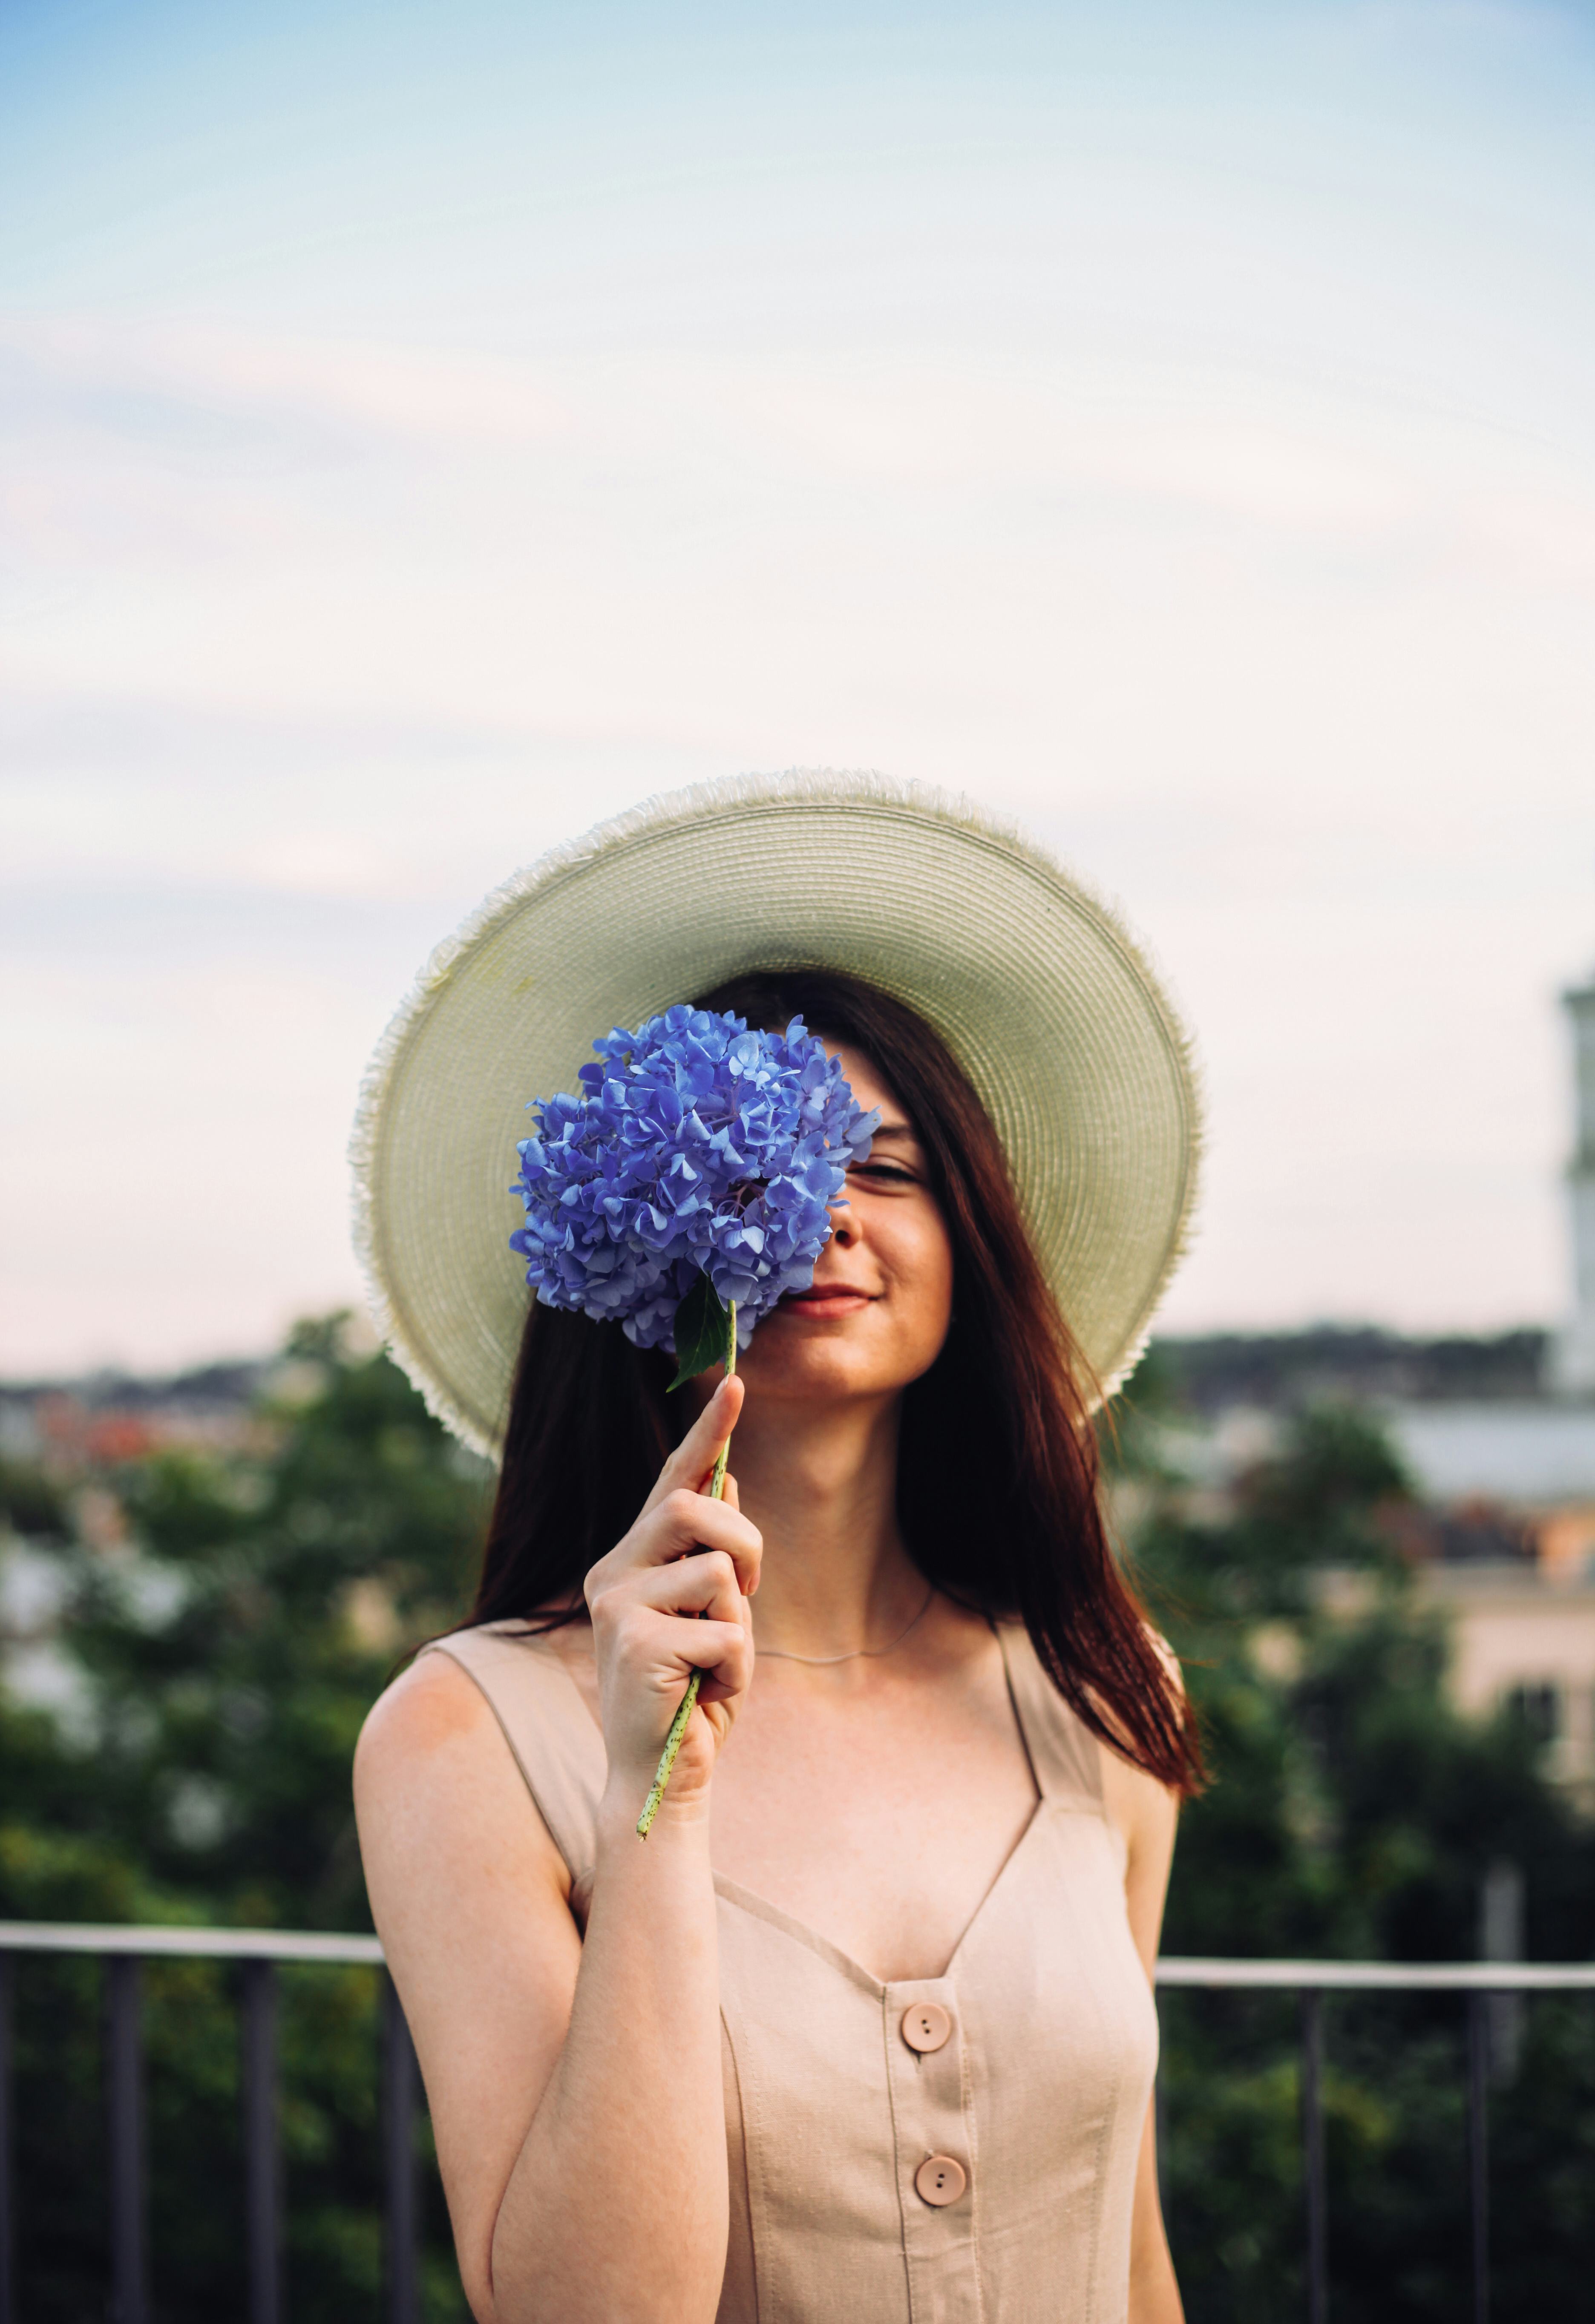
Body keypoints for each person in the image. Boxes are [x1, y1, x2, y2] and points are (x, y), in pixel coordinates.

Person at [351, 777, 1203, 2324]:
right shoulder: (467, 1738)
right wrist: (653, 1794)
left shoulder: (1104, 1693)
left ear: (975, 1235)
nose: (822, 1221)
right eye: (763, 1176)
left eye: (884, 1170)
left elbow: (1130, 2256)